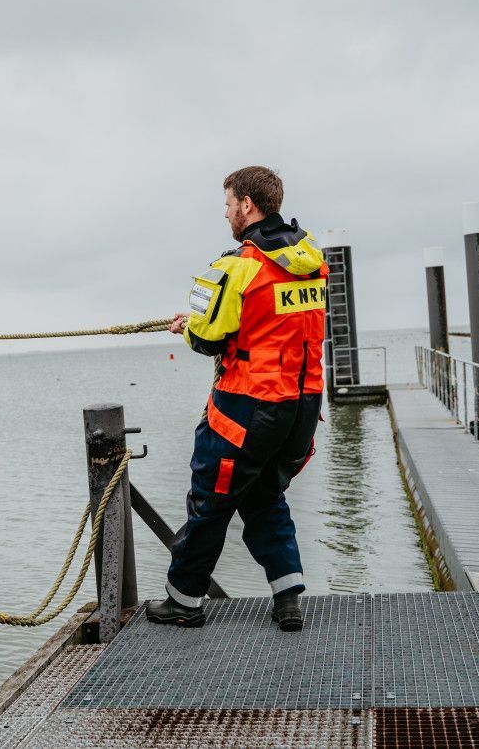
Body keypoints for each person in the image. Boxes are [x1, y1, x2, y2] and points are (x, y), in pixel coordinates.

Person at [146, 166, 328, 632]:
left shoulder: (239, 265)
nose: (225, 212)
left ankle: (184, 601)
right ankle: (288, 596)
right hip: (301, 407)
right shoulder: (313, 258)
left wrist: (188, 325)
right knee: (266, 495)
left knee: (210, 502)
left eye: (228, 203)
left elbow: (210, 338)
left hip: (247, 409)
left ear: (247, 204)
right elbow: (277, 326)